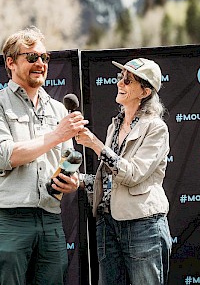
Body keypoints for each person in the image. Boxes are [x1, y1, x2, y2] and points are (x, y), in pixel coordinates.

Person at [0, 26, 88, 284]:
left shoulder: (59, 109)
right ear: (11, 62)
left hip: (50, 218)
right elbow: (5, 155)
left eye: (44, 57)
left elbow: (66, 159)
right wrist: (57, 135)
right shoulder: (1, 104)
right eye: (31, 57)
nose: (40, 63)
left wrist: (71, 181)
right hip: (9, 219)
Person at [76, 58, 172, 285]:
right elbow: (110, 181)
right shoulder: (115, 126)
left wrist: (96, 145)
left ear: (145, 91)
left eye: (128, 81)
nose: (120, 83)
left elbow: (133, 175)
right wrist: (79, 180)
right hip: (107, 224)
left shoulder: (156, 127)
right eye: (121, 78)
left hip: (142, 225)